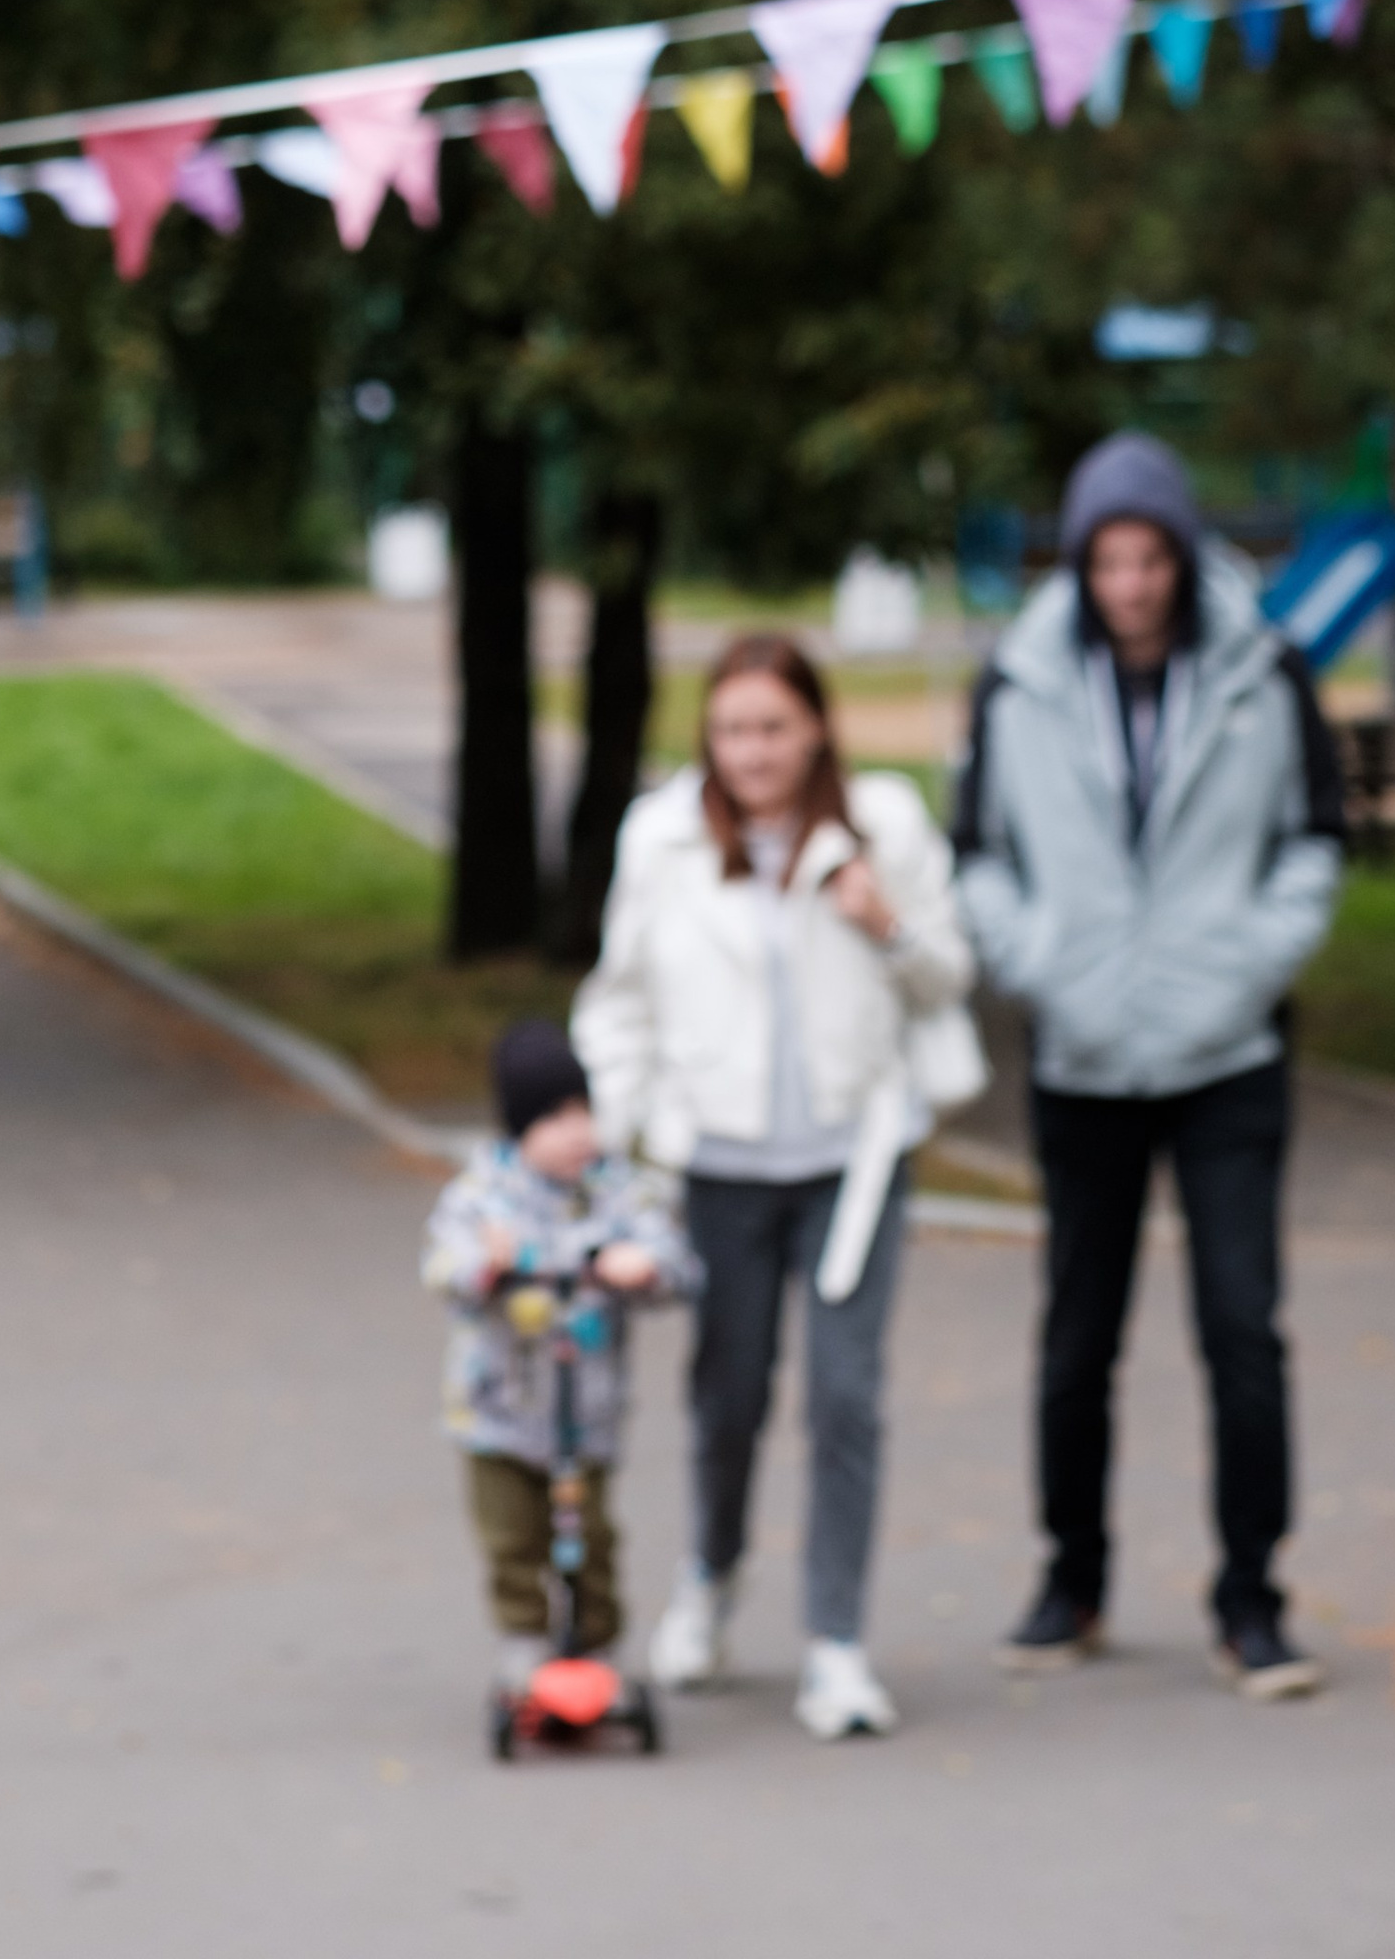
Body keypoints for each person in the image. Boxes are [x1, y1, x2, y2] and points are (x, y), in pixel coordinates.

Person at [954, 431, 1346, 1698]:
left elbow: (1312, 844)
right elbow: (981, 857)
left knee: (1241, 1328)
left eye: (1150, 557)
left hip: (1226, 1053)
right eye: (1107, 560)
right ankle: (1070, 1577)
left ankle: (1251, 1595)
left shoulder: (1262, 675)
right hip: (1082, 1057)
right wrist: (1044, 967)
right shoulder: (1015, 685)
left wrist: (1241, 966)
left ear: (1180, 558)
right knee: (1078, 1336)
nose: (1130, 583)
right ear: (1078, 565)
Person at [574, 631, 980, 1741]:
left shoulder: (882, 827)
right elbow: (618, 1001)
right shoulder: (662, 840)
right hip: (720, 1169)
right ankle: (709, 1574)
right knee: (729, 1393)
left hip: (853, 1166)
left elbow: (951, 973)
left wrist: (880, 920)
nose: (752, 753)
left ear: (815, 730)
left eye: (773, 728)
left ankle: (836, 1644)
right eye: (731, 730)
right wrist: (623, 1142)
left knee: (846, 1399)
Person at [421, 1020, 695, 1695]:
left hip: (586, 1413)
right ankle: (525, 1639)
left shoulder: (615, 1193)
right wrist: (485, 1267)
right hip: (501, 1411)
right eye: (554, 1118)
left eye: (584, 1113)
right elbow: (443, 1267)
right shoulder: (485, 1198)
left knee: (591, 1537)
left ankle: (595, 1645)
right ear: (519, 1128)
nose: (577, 1133)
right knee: (512, 1537)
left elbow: (676, 1262)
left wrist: (644, 1266)